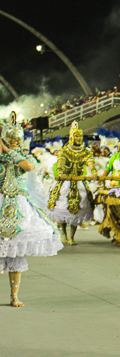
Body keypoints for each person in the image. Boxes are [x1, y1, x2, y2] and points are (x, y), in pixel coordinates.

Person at [0, 113, 63, 307]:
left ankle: (14, 297)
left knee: (17, 255)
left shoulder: (25, 156)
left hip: (20, 207)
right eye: (9, 141)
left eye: (15, 141)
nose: (13, 144)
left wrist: (8, 151)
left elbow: (27, 166)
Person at [47, 122, 97, 245]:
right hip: (65, 183)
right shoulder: (65, 150)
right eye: (76, 136)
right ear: (71, 137)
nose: (79, 139)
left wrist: (94, 171)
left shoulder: (85, 151)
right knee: (62, 208)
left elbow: (90, 162)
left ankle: (72, 236)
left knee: (78, 210)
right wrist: (60, 173)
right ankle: (63, 233)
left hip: (79, 183)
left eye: (80, 136)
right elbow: (60, 164)